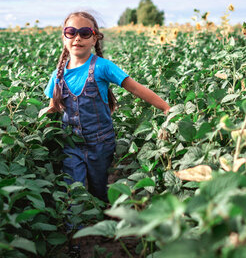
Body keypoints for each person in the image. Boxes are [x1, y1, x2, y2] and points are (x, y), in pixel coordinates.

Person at [44, 11, 171, 203]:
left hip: (100, 143)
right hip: (70, 143)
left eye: (85, 33)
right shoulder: (58, 74)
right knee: (72, 189)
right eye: (71, 32)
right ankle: (74, 228)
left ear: (94, 39)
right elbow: (52, 107)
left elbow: (135, 88)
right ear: (64, 37)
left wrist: (166, 108)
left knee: (99, 188)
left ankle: (102, 222)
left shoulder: (103, 67)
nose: (77, 38)